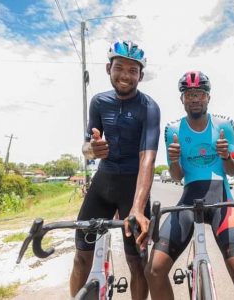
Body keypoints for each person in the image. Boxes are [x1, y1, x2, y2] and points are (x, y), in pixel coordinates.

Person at [143, 71, 234, 299]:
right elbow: (176, 176)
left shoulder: (225, 125)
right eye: (189, 94)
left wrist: (225, 156)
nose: (195, 98)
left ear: (208, 98)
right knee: (154, 270)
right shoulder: (173, 129)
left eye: (200, 94)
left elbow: (232, 170)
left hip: (221, 198)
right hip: (188, 200)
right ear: (182, 99)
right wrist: (174, 161)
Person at [69, 40, 160, 300]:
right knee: (80, 259)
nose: (125, 75)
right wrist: (92, 149)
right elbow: (87, 149)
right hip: (103, 184)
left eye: (133, 71)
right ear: (109, 68)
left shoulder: (149, 107)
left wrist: (137, 209)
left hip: (133, 188)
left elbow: (147, 158)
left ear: (140, 76)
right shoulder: (98, 102)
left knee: (137, 263)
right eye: (119, 67)